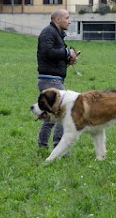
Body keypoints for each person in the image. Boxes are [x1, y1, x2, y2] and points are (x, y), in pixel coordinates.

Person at [36, 9, 78, 151]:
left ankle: (42, 146)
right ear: (57, 20)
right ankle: (59, 147)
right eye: (67, 18)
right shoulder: (48, 32)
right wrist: (67, 52)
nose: (69, 21)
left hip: (53, 79)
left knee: (52, 115)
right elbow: (47, 52)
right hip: (50, 80)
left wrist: (68, 60)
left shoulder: (56, 34)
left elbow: (52, 56)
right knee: (62, 114)